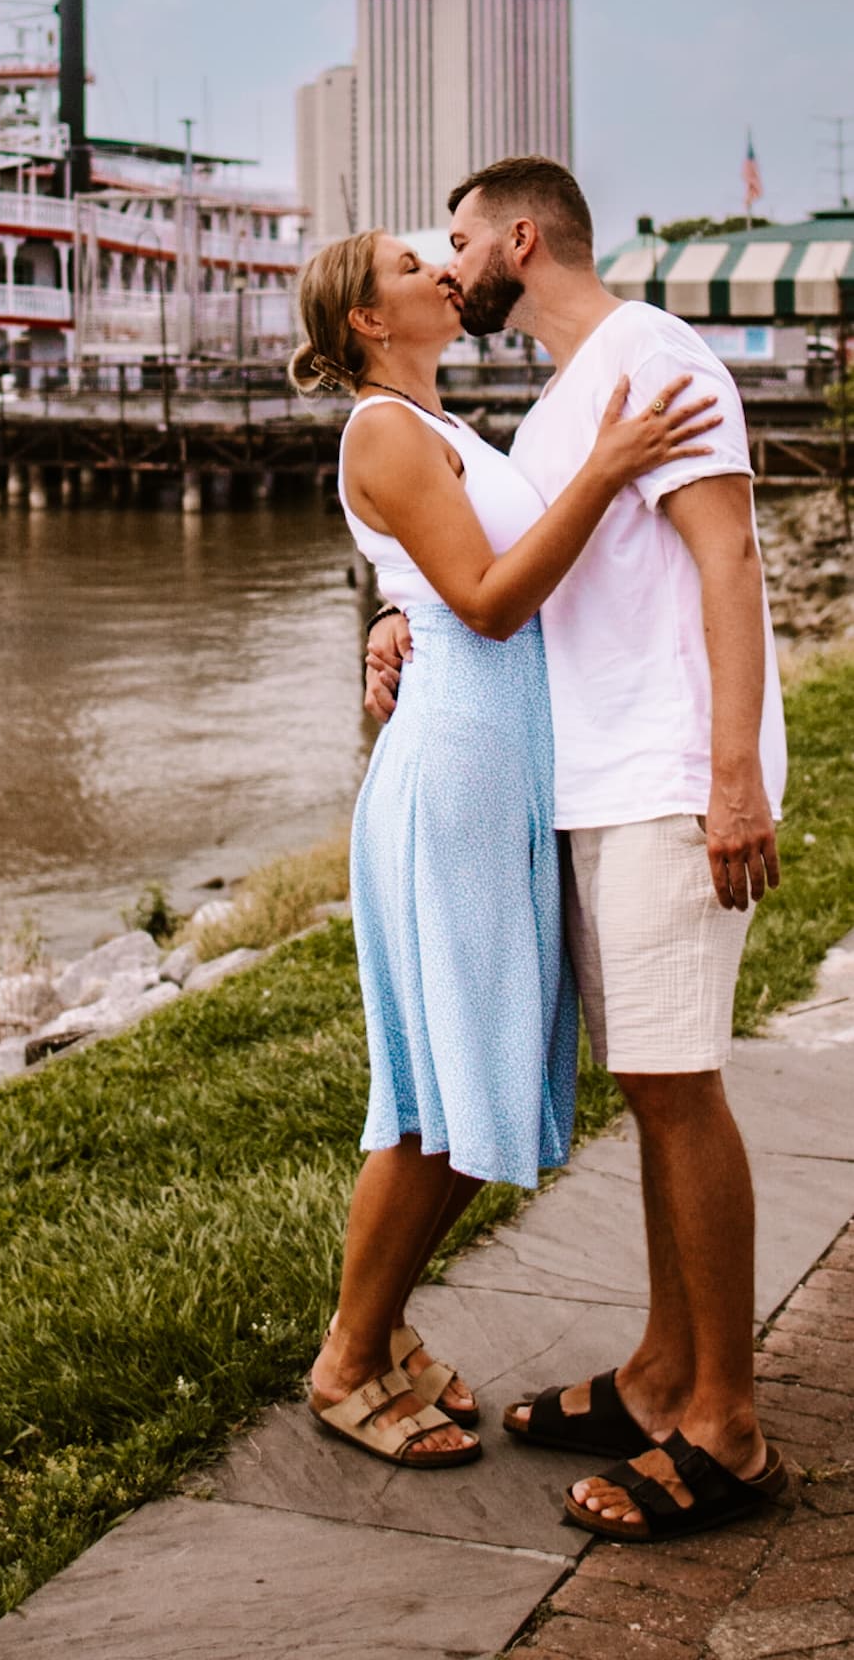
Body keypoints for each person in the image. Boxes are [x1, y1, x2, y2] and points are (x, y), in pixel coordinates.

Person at [366, 156, 788, 1539]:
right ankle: (658, 1374)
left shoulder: (653, 358)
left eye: (459, 240)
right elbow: (505, 582)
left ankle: (723, 1427)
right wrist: (396, 629)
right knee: (646, 1086)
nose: (447, 262)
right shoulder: (558, 403)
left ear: (519, 239)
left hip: (668, 777)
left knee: (678, 1089)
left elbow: (725, 560)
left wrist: (731, 779)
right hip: (587, 780)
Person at [293, 225, 719, 1472]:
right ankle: (347, 1356)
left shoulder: (439, 427)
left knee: (465, 1076)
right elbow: (484, 599)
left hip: (498, 768)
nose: (441, 271)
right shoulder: (381, 426)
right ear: (369, 321)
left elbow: (425, 577)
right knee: (434, 1097)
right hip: (462, 773)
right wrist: (610, 464)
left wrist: (387, 606)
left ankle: (376, 1326)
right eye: (409, 267)